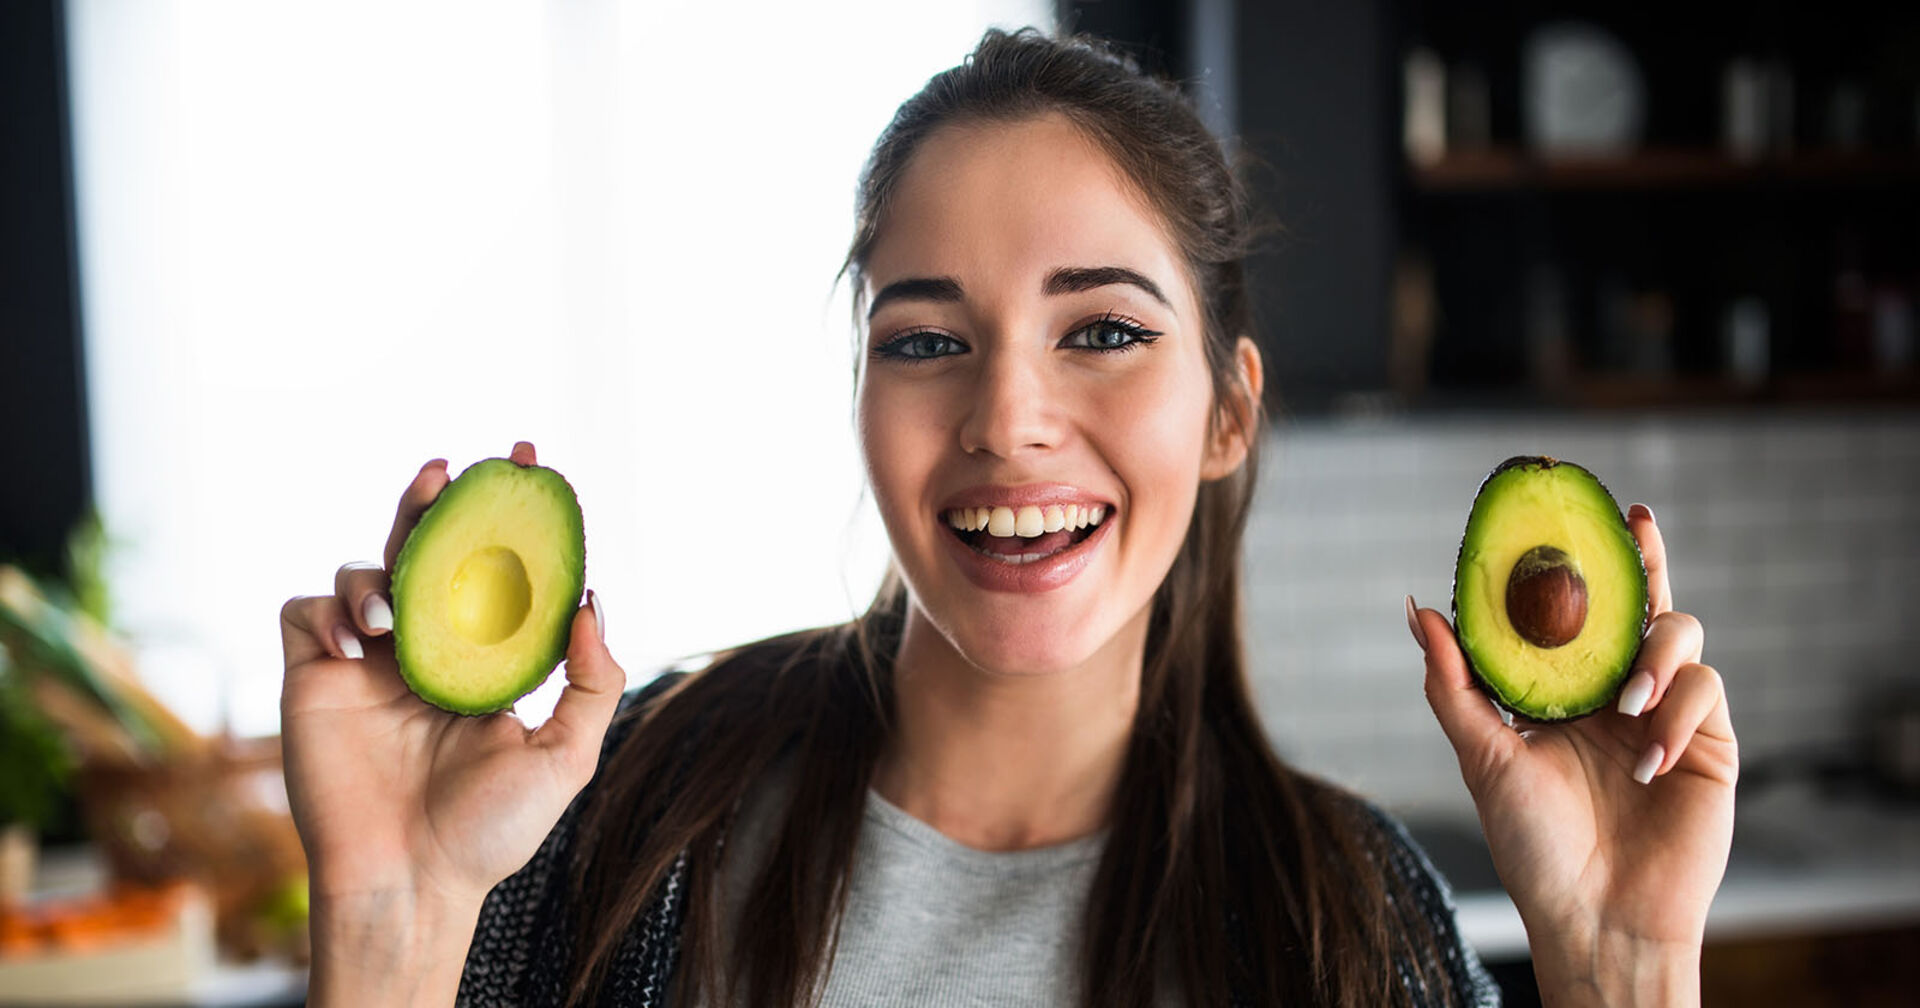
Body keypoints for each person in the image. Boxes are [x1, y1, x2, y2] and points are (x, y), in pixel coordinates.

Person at [278, 28, 1735, 1008]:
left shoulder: (1359, 922)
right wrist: (391, 919)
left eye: (1101, 331)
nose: (1006, 420)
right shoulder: (622, 815)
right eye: (924, 341)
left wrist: (1619, 963)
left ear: (1230, 409)